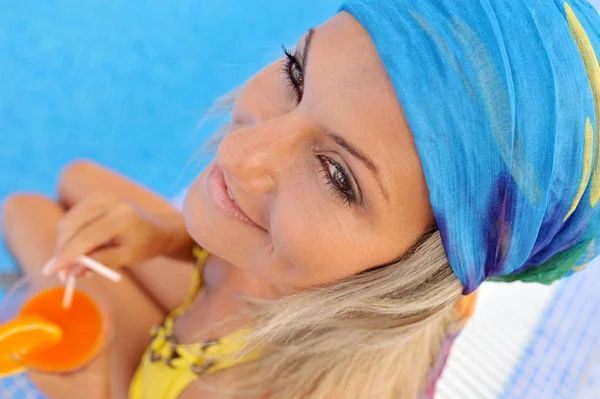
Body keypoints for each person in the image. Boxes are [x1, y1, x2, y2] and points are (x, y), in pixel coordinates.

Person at [3, 0, 600, 397]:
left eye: (338, 176)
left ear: (407, 273)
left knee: (27, 218)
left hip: (182, 372)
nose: (238, 154)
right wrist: (159, 235)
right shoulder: (317, 263)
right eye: (296, 73)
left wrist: (87, 385)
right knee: (64, 188)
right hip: (227, 303)